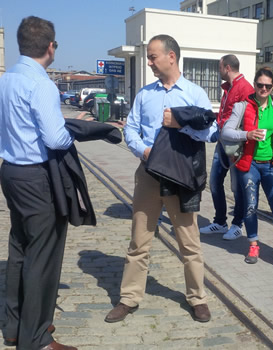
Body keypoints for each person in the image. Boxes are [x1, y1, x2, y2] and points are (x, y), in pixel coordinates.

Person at [105, 34, 216, 324]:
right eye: (148, 57)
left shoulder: (194, 93)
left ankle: (197, 298)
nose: (149, 62)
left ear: (171, 56)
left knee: (189, 243)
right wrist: (144, 151)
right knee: (138, 241)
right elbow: (130, 129)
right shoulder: (145, 94)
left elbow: (211, 133)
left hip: (180, 176)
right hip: (149, 174)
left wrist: (181, 124)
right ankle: (129, 297)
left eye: (153, 56)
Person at [0, 16, 77, 350]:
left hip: (10, 171)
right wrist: (75, 132)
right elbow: (55, 137)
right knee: (42, 256)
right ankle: (35, 338)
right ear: (50, 47)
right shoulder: (41, 84)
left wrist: (12, 142)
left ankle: (14, 327)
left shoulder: (7, 79)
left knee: (20, 249)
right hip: (36, 176)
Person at [221, 67, 273, 266]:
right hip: (249, 164)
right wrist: (246, 135)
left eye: (267, 85)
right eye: (259, 85)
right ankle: (253, 244)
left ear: (272, 87)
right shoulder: (242, 106)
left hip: (272, 165)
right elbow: (226, 132)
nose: (263, 88)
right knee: (250, 206)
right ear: (255, 85)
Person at [199, 55, 254, 240]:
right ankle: (220, 221)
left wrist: (242, 143)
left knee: (237, 187)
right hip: (222, 142)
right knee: (215, 181)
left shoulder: (245, 88)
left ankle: (237, 224)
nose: (218, 71)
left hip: (236, 145)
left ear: (227, 67)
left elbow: (248, 117)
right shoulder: (228, 88)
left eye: (220, 67)